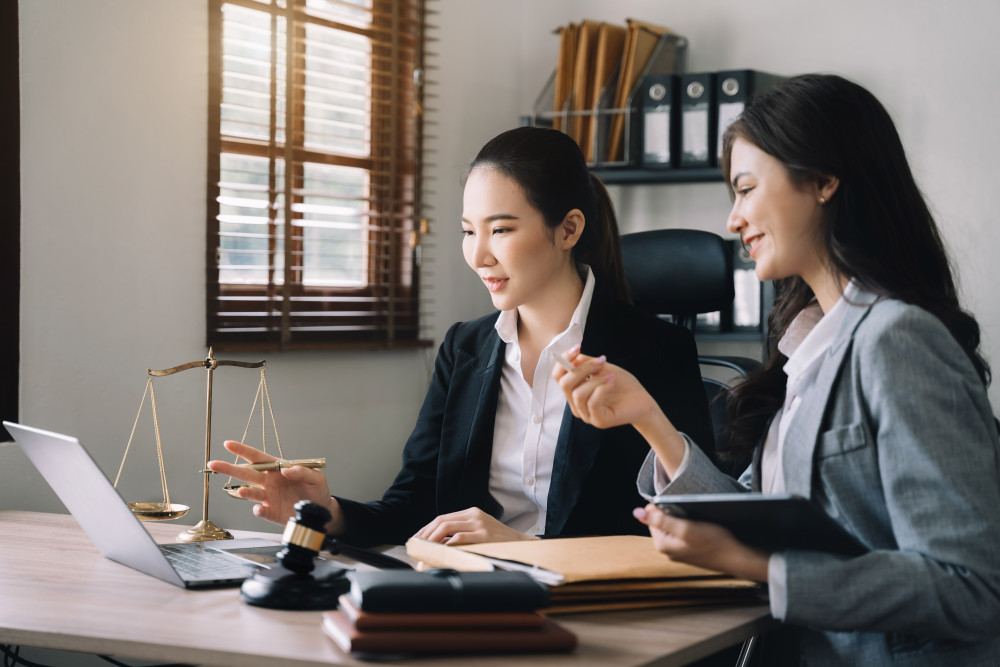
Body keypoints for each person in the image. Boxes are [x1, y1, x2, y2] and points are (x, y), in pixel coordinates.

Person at [555, 74, 1000, 665]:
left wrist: (758, 567)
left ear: (823, 181)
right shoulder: (810, 343)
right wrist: (648, 418)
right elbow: (755, 512)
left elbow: (971, 589)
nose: (734, 219)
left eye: (744, 189)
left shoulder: (897, 340)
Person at [209, 126, 714, 548]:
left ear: (568, 229)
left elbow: (680, 532)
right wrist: (327, 511)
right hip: (469, 590)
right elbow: (414, 506)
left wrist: (524, 549)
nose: (478, 256)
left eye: (501, 230)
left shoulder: (655, 351)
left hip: (593, 613)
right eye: (469, 231)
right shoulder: (464, 350)